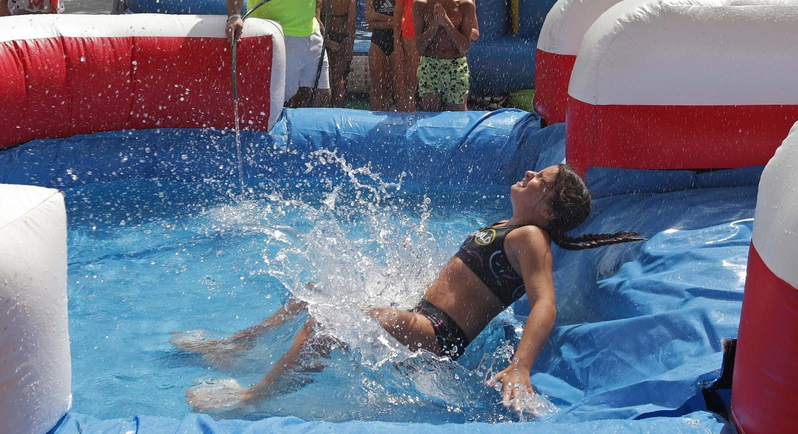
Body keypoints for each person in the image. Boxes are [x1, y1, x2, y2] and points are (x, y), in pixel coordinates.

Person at [175, 165, 645, 413]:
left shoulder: (531, 237)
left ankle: (255, 398)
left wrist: (520, 368)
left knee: (332, 317)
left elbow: (545, 304)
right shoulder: (511, 225)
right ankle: (238, 344)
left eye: (538, 181)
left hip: (435, 336)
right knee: (319, 287)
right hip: (423, 315)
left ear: (547, 209)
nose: (527, 176)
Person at [412, 0, 478, 112]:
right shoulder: (420, 4)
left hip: (456, 66)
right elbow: (420, 46)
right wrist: (435, 24)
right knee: (430, 114)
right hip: (429, 64)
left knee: (457, 116)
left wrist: (447, 22)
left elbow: (464, 47)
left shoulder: (465, 5)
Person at [393, 0, 438, 112]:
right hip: (410, 32)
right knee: (411, 77)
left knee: (433, 76)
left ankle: (432, 115)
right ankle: (408, 115)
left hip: (435, 31)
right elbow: (399, 7)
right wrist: (396, 39)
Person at [317, 0, 357, 108]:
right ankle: (338, 108)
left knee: (324, 78)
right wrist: (349, 46)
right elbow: (351, 25)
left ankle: (324, 109)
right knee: (339, 78)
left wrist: (326, 40)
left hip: (327, 37)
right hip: (342, 39)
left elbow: (317, 20)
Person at [363, 0, 398, 111]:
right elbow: (371, 25)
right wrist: (391, 21)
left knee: (395, 84)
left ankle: (394, 115)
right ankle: (375, 114)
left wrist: (378, 16)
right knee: (377, 83)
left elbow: (401, 24)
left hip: (396, 41)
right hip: (377, 41)